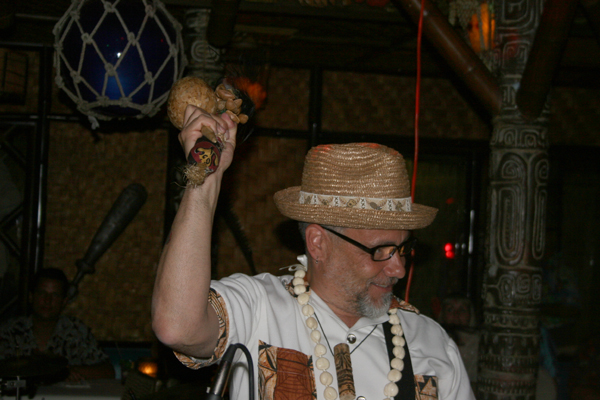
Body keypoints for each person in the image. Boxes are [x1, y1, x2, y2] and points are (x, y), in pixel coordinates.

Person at [152, 107, 475, 399]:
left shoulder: (432, 344)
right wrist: (204, 181)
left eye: (403, 249)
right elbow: (177, 326)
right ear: (318, 242)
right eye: (380, 250)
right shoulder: (259, 309)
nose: (399, 269)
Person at [0, 268, 114, 381]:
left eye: (55, 295)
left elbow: (108, 371)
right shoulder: (10, 331)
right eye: (42, 293)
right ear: (31, 296)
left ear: (64, 301)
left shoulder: (75, 331)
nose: (47, 300)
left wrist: (68, 371)